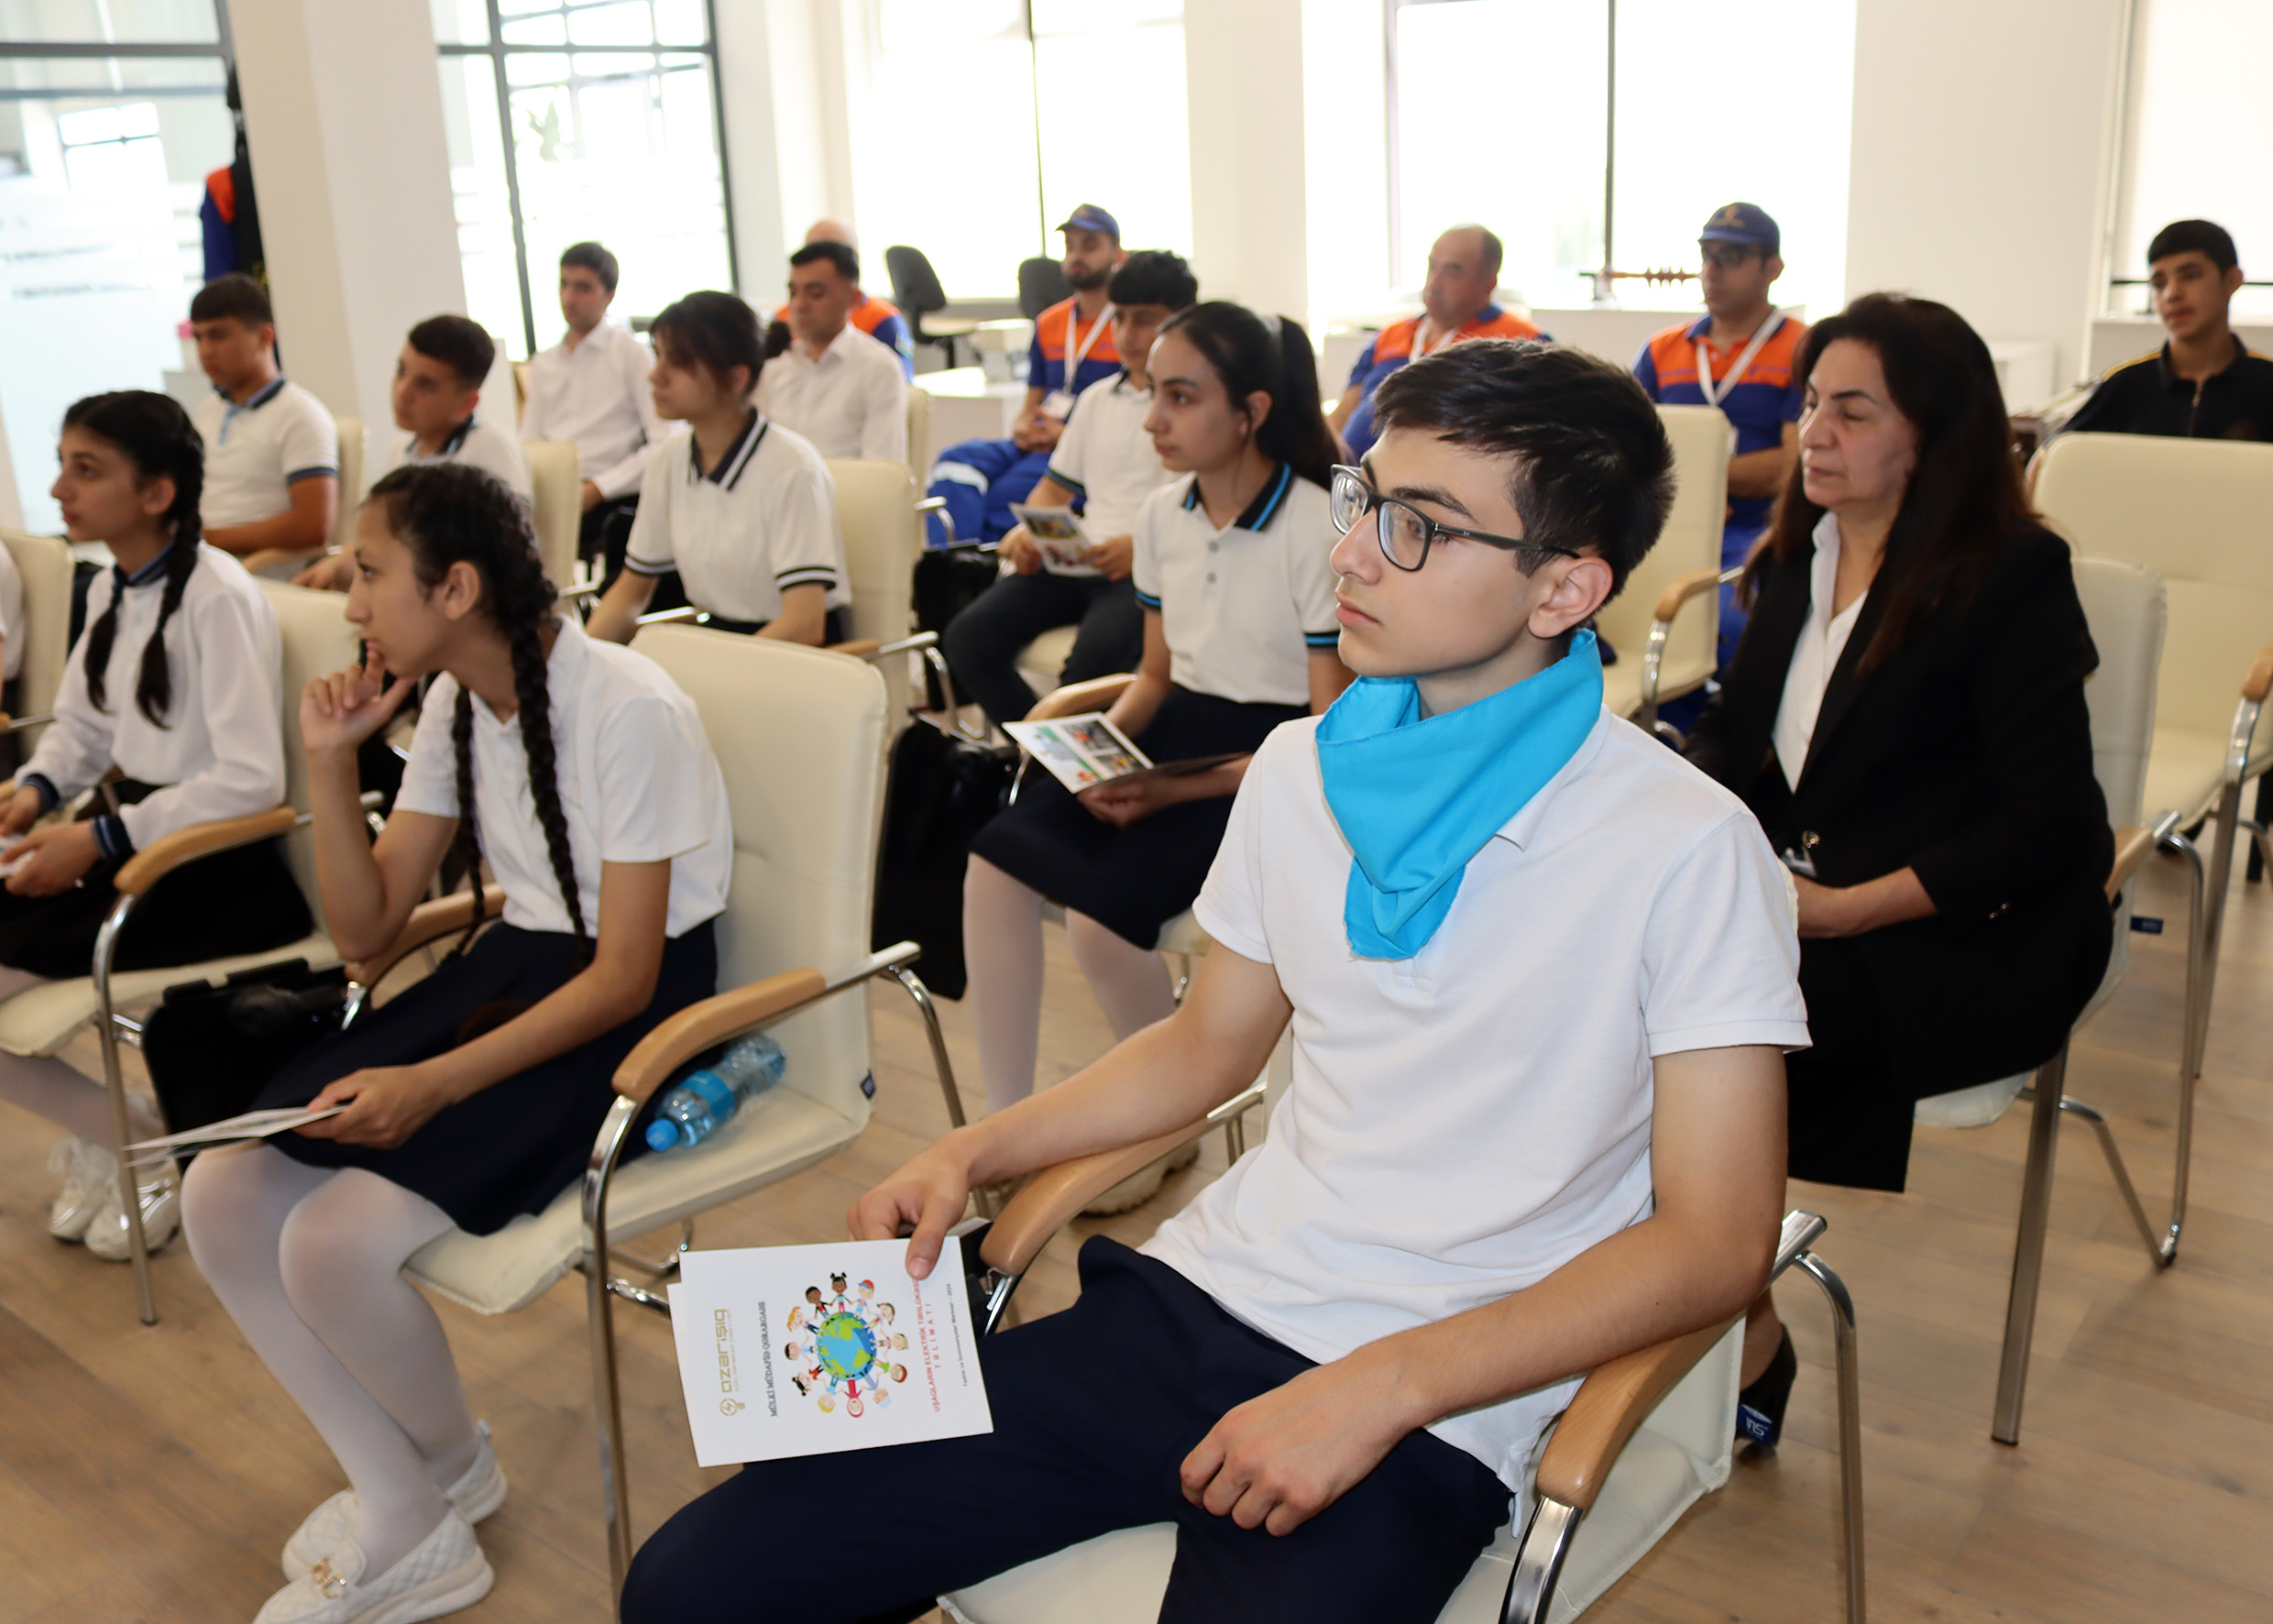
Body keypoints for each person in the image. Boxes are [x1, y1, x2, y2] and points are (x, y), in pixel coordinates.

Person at [621, 339, 1804, 1624]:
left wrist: (1387, 1385)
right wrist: (972, 1150)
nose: (1351, 554)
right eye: (1363, 500)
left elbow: (1717, 1238)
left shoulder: (1685, 847)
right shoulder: (1304, 769)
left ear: (1564, 586)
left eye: (1417, 528)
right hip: (1203, 1300)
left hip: (1439, 1396)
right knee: (693, 1588)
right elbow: (1204, 1049)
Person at [181, 460, 732, 1624]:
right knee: (220, 1189)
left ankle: (419, 1498)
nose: (349, 601)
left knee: (329, 1239)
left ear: (457, 587)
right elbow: (366, 928)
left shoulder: (627, 705)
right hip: (517, 968)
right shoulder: (451, 702)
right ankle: (417, 1490)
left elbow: (626, 973)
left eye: (371, 572)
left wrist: (432, 1083)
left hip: (631, 1004)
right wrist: (332, 759)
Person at [1685, 292, 2114, 1447]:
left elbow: (2046, 825)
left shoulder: (2011, 572)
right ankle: (1720, 1308)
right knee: (1617, 1005)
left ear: (1931, 434)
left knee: (1693, 1045)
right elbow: (1737, 733)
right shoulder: (1795, 552)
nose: (1812, 433)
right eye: (1810, 402)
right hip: (1806, 894)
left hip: (1963, 919)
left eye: (1852, 410)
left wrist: (1841, 914)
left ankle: (1724, 1318)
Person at [960, 303, 1351, 1176]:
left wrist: (1172, 787)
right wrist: (1091, 749)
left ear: (1250, 411)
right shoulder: (1164, 514)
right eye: (1152, 395)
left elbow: (1324, 733)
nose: (1152, 421)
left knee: (1101, 924)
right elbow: (1155, 677)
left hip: (1269, 760)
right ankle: (1003, 1130)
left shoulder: (1315, 526)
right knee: (995, 860)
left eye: (1180, 397)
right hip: (1174, 733)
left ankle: (1167, 1123)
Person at [0, 392, 308, 1264]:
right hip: (135, 837)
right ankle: (124, 1134)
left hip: (210, 868)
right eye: (63, 465)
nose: (59, 489)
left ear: (156, 493)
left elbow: (251, 779)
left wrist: (96, 840)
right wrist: (33, 790)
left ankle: (139, 1145)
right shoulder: (111, 586)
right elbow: (82, 728)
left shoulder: (218, 595)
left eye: (86, 470)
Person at [939, 249, 1198, 729]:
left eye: (1145, 320)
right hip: (1079, 558)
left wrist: (1141, 548)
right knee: (965, 639)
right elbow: (1051, 492)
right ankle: (1038, 751)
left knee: (1086, 674)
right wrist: (1030, 532)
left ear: (1183, 322)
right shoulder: (1097, 400)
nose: (1127, 334)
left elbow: (1205, 514)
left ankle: (1053, 754)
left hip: (1145, 571)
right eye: (1119, 318)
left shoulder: (1196, 407)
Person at [586, 291, 851, 646]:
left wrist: (722, 668)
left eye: (678, 362)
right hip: (723, 639)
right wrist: (581, 657)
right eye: (658, 356)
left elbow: (804, 624)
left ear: (736, 378)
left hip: (793, 652)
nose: (655, 376)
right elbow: (631, 591)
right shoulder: (669, 459)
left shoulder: (792, 468)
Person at [1632, 203, 1807, 666]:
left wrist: (1698, 483)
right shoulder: (1662, 351)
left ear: (1773, 268)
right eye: (1707, 256)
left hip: (1756, 530)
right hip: (1667, 524)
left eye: (1732, 258)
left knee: (1730, 625)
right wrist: (1702, 489)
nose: (1712, 272)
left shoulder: (1801, 349)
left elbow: (1793, 467)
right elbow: (1628, 451)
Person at [924, 204, 1129, 546]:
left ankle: (969, 560)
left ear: (1118, 254)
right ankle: (952, 559)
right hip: (1037, 440)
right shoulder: (1049, 322)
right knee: (954, 462)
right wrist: (1022, 427)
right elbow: (1032, 402)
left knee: (1000, 498)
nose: (1077, 256)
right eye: (1070, 246)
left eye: (1090, 245)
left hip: (1081, 450)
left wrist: (1065, 434)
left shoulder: (1126, 328)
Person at [296, 317, 534, 592]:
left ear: (466, 403)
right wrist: (344, 560)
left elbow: (508, 552)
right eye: (401, 372)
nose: (402, 392)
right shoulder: (401, 450)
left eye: (425, 385)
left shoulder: (491, 449)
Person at [1330, 224, 1541, 461]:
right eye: (1432, 266)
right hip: (1350, 474)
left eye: (1453, 272)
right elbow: (1343, 413)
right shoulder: (1389, 335)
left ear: (1488, 284)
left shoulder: (1523, 343)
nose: (1434, 283)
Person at [518, 241, 669, 568]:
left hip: (613, 493)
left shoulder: (631, 354)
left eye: (583, 288)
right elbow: (530, 443)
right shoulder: (544, 363)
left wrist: (599, 488)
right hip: (557, 491)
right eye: (564, 284)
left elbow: (664, 441)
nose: (569, 297)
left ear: (609, 295)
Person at [2057, 218, 2273, 444]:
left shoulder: (2267, 385)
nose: (2172, 294)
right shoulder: (2125, 386)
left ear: (2232, 280)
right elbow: (2052, 457)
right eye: (2159, 284)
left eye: (2191, 276)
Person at [187, 273, 340, 560]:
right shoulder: (208, 410)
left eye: (218, 335)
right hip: (204, 559)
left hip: (258, 569)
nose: (205, 351)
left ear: (264, 337)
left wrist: (209, 540)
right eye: (198, 337)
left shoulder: (300, 414)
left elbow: (312, 525)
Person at [755, 239, 909, 464]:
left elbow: (883, 469)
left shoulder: (877, 367)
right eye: (793, 293)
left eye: (815, 294)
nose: (799, 305)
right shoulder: (776, 364)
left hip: (848, 487)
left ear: (853, 298)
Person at [774, 218, 915, 379]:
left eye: (816, 293)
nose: (800, 305)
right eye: (812, 250)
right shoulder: (783, 317)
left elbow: (902, 382)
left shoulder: (881, 319)